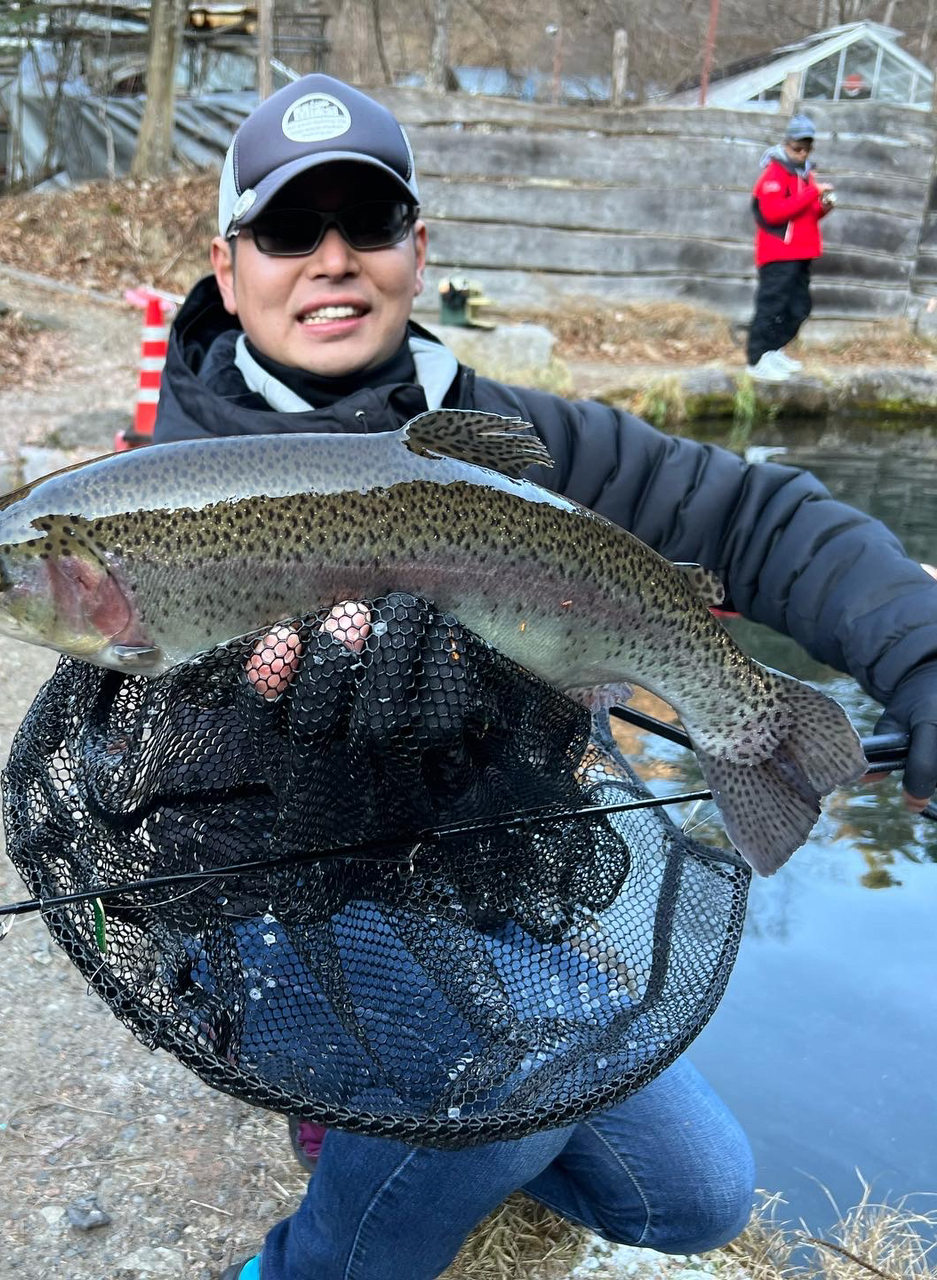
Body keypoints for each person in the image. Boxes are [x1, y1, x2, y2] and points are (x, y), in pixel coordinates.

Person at [149, 74, 937, 1280]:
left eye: (366, 223)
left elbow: (760, 515)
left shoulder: (514, 444)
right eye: (287, 230)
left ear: (417, 246)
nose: (331, 260)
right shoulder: (160, 498)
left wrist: (922, 656)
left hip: (475, 899)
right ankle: (312, 1247)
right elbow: (144, 773)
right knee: (515, 1067)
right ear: (227, 259)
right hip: (271, 917)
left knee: (699, 1198)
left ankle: (413, 1124)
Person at [745, 112, 834, 382]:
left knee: (798, 307)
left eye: (807, 148)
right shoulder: (773, 174)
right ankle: (756, 359)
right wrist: (811, 192)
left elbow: (806, 216)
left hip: (802, 251)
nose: (802, 153)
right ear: (786, 144)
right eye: (797, 147)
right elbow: (773, 214)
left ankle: (773, 351)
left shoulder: (804, 175)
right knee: (771, 306)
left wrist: (823, 206)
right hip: (778, 254)